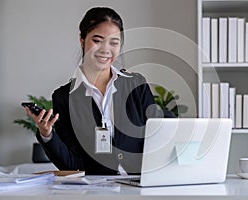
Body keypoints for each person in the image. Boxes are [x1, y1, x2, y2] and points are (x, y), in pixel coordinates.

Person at [25, 7, 166, 175]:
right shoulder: (64, 97)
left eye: (114, 42)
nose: (105, 50)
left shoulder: (136, 85)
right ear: (82, 39)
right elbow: (71, 164)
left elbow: (158, 139)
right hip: (95, 189)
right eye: (97, 40)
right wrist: (47, 134)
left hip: (139, 186)